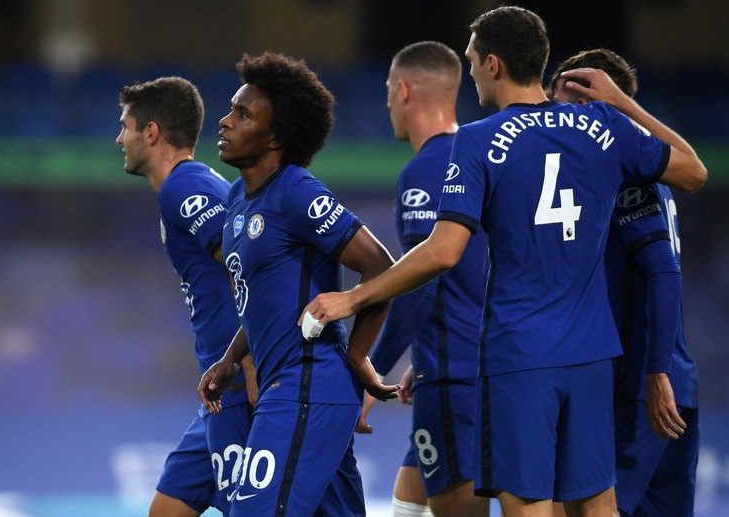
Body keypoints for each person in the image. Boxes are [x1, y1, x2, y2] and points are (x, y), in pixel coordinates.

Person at [300, 6, 707, 517]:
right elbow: (693, 172)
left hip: (519, 358)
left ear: (493, 64)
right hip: (592, 356)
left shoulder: (477, 139)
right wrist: (623, 103)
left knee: (529, 508)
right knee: (598, 508)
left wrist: (354, 297)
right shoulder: (603, 125)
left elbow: (444, 251)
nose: (471, 73)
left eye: (472, 61)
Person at [197, 51, 399, 517]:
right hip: (294, 389)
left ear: (275, 138)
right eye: (231, 110)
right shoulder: (238, 197)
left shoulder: (296, 191)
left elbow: (381, 267)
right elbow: (268, 301)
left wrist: (357, 353)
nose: (225, 121)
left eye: (243, 114)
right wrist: (231, 358)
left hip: (306, 386)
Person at [549, 49, 700, 517]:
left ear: (589, 107)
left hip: (643, 385)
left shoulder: (629, 176)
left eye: (560, 107)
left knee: (590, 509)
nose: (554, 119)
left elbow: (664, 272)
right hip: (673, 381)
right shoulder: (647, 169)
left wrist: (655, 373)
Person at [362, 40, 490, 517]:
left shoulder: (427, 170)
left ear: (403, 90)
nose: (388, 104)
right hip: (490, 363)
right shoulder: (482, 157)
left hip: (456, 375)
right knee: (409, 496)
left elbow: (423, 278)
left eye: (387, 93)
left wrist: (372, 370)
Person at [116, 76, 253, 517]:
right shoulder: (192, 184)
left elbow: (246, 264)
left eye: (125, 127)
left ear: (151, 132)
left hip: (237, 382)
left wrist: (250, 362)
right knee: (167, 509)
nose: (119, 139)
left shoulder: (183, 186)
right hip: (218, 390)